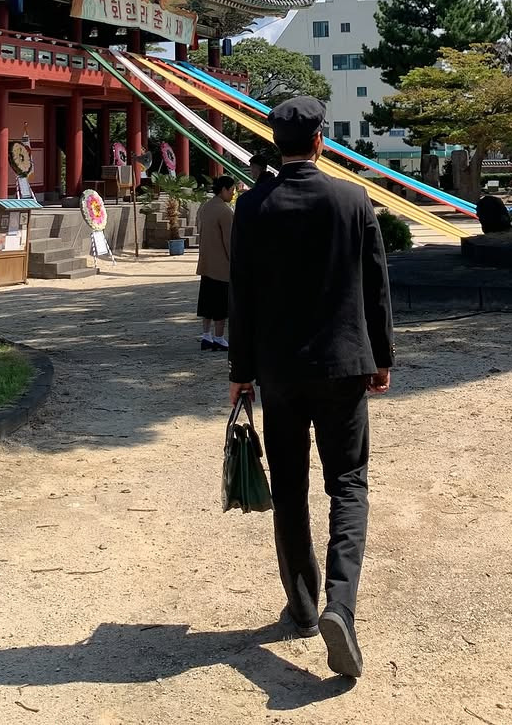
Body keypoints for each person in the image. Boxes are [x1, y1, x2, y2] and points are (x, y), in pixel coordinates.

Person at [229, 96, 394, 680]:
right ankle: (339, 606)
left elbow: (241, 293)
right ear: (321, 139)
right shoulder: (352, 199)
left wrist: (240, 370)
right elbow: (375, 284)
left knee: (291, 486)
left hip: (279, 370)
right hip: (345, 364)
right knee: (347, 482)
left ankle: (301, 604)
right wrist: (382, 357)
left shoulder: (252, 206)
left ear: (276, 144)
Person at [196, 173, 235, 351]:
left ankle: (206, 335)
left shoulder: (205, 207)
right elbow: (229, 240)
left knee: (207, 302)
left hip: (206, 262)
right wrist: (234, 260)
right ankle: (219, 337)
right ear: (224, 190)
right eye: (231, 190)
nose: (232, 194)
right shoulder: (225, 211)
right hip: (221, 265)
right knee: (220, 304)